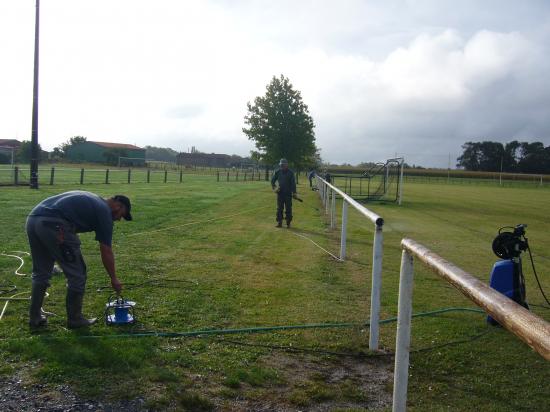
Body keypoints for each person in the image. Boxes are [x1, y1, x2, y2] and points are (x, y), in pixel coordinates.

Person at [26, 191, 132, 329]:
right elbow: (106, 250)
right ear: (118, 205)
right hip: (55, 224)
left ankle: (35, 317)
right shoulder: (104, 212)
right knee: (77, 274)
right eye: (121, 215)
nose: (118, 219)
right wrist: (114, 278)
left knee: (41, 272)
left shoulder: (95, 200)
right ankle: (75, 319)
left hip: (33, 219)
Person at [271, 158, 298, 228]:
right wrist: (275, 188)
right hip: (280, 193)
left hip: (288, 194)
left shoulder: (291, 173)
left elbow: (293, 184)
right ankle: (279, 222)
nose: (282, 166)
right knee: (279, 208)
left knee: (288, 209)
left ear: (287, 165)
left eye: (283, 165)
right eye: (281, 165)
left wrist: (294, 193)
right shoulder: (278, 172)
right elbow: (272, 181)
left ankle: (288, 223)